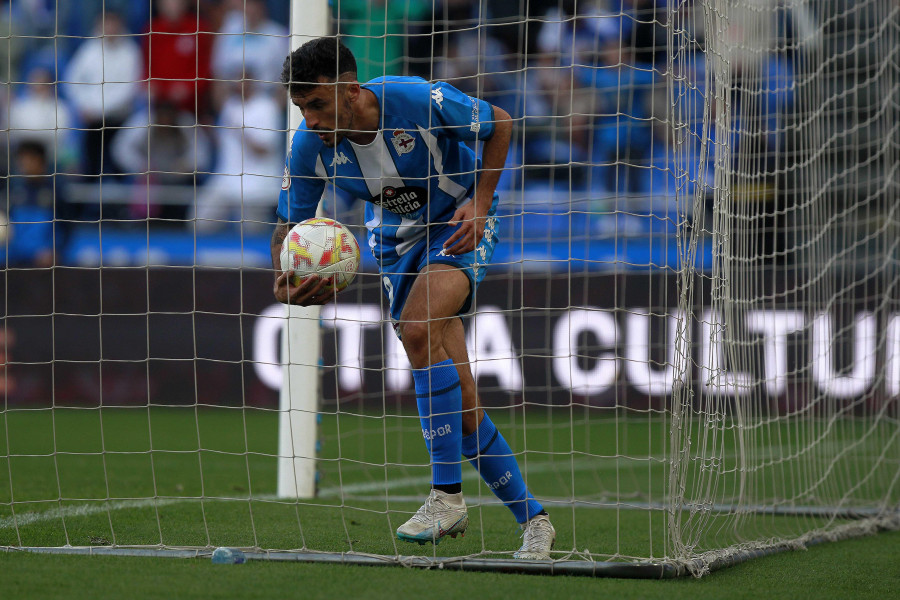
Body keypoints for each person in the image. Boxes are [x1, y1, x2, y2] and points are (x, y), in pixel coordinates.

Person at [272, 37, 556, 560]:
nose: (310, 120)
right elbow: (290, 228)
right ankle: (534, 520)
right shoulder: (309, 147)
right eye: (300, 108)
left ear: (351, 91)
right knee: (464, 403)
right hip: (397, 243)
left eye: (317, 104)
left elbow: (500, 122)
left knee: (419, 327)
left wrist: (481, 201)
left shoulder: (416, 100)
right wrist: (284, 280)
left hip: (457, 223)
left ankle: (445, 497)